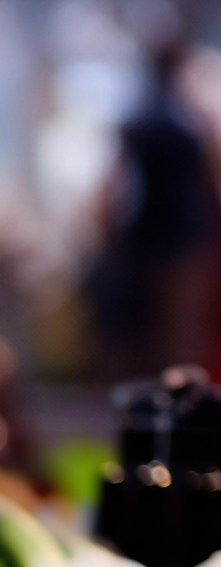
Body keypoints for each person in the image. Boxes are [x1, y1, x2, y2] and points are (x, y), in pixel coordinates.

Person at [87, 37, 221, 380]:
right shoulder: (190, 120)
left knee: (154, 331)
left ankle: (165, 398)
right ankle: (177, 399)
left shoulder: (141, 119)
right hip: (183, 235)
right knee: (177, 331)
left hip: (151, 234)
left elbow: (114, 184)